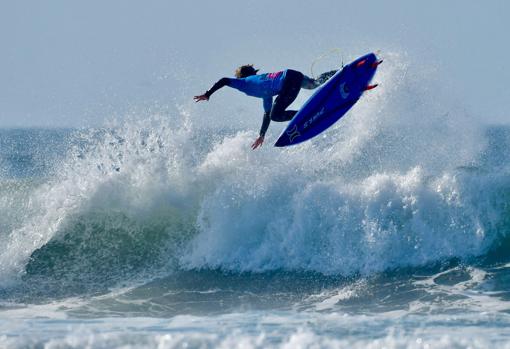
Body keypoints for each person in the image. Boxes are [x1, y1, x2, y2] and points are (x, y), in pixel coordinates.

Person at [194, 65, 336, 149]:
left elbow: (224, 80)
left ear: (241, 77)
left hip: (287, 81)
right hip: (292, 75)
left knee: (276, 115)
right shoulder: (263, 88)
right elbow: (267, 113)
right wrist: (262, 135)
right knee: (314, 84)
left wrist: (208, 94)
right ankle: (339, 71)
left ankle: (310, 113)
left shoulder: (243, 82)